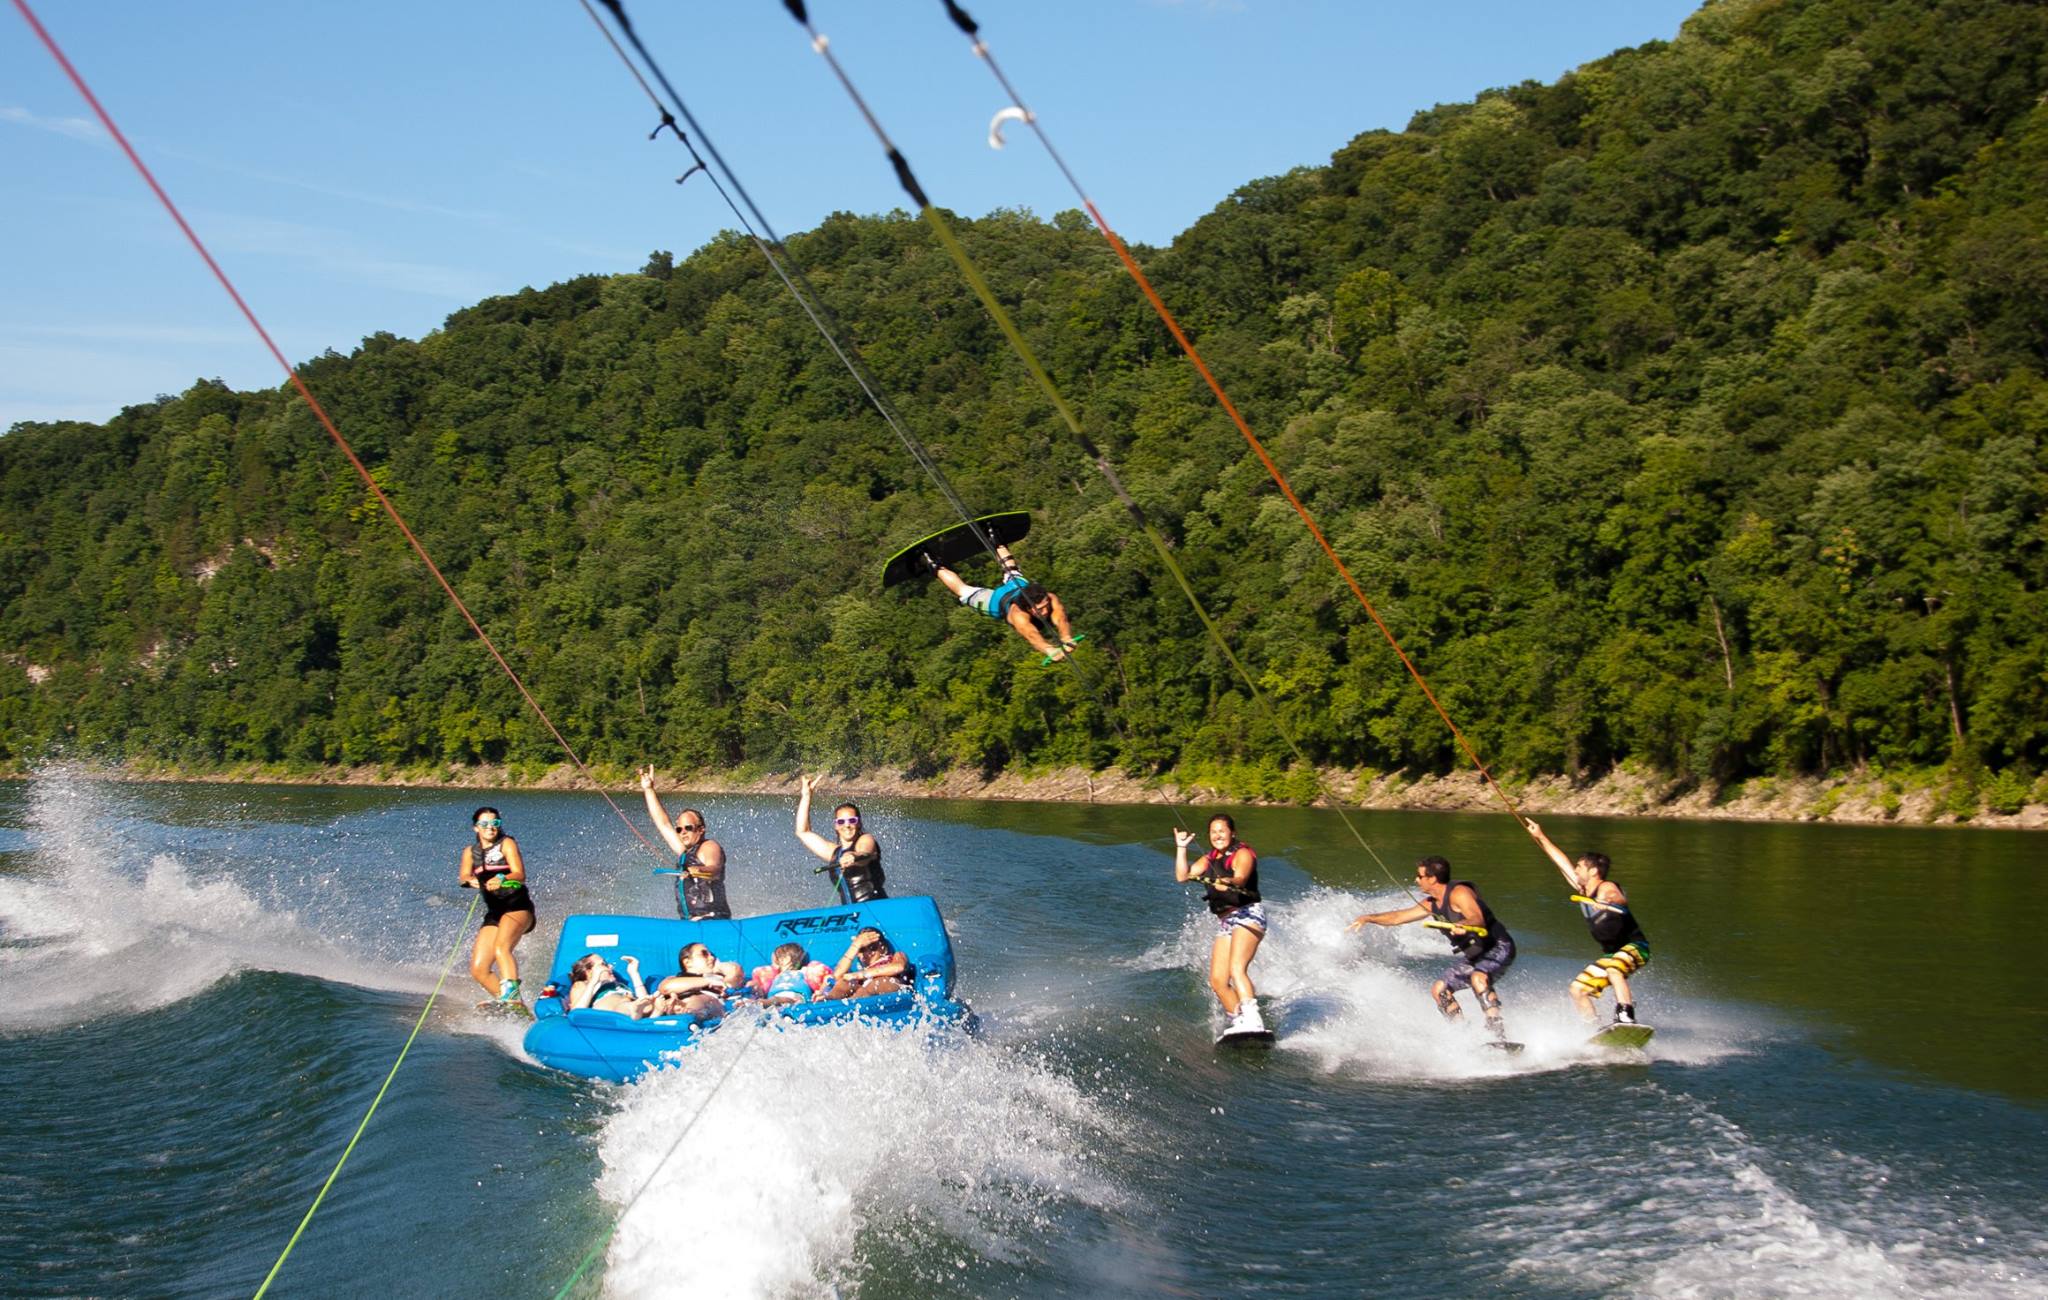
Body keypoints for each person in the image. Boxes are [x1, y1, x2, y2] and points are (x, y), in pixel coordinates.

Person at [1349, 857, 1517, 1040]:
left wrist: (1464, 924)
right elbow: (1398, 917)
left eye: (1419, 876)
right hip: (1475, 955)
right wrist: (1368, 918)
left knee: (1479, 977)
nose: (1416, 880)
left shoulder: (1460, 893)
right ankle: (1463, 1037)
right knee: (1439, 990)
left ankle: (1498, 1036)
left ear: (1432, 878)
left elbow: (1476, 917)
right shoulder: (1431, 903)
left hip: (1498, 946)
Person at [1524, 819, 1651, 1026]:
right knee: (1578, 989)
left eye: (1579, 867)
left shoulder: (1606, 887)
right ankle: (1595, 1029)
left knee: (1615, 969)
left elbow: (1618, 897)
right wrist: (1540, 836)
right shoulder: (1583, 890)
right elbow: (1561, 862)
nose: (1575, 870)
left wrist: (1608, 902)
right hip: (1611, 955)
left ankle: (1626, 1016)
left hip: (1636, 948)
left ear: (1593, 872)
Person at [1174, 814, 1267, 1036]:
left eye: (1222, 831)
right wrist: (1181, 848)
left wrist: (1229, 882)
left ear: (1232, 833)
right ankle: (1240, 1021)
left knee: (1236, 968)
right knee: (1217, 981)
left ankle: (1253, 1019)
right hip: (1226, 921)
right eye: (1213, 832)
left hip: (1248, 915)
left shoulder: (1242, 853)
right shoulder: (1209, 859)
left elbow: (1241, 877)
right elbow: (1182, 876)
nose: (1217, 835)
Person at [923, 540, 1078, 661]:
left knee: (1012, 570)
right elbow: (1031, 635)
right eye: (1040, 609)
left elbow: (1061, 618)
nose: (1045, 611)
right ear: (1029, 609)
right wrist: (1049, 650)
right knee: (963, 591)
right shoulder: (1019, 615)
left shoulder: (1049, 598)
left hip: (1018, 587)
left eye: (1045, 607)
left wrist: (1066, 637)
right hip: (996, 602)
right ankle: (934, 565)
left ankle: (996, 540)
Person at [460, 806, 535, 1004]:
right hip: (494, 913)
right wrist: (470, 880)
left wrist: (502, 877)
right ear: (476, 828)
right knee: (479, 969)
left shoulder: (507, 844)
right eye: (484, 824)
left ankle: (512, 997)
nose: (490, 827)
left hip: (518, 908)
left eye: (495, 823)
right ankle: (511, 1004)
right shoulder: (470, 852)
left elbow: (520, 874)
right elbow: (463, 876)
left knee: (502, 947)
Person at [640, 766, 731, 920]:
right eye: (679, 829)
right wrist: (649, 790)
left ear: (701, 829)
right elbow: (663, 824)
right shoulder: (685, 852)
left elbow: (714, 869)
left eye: (688, 828)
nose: (682, 832)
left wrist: (697, 871)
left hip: (713, 920)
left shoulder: (709, 847)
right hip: (690, 922)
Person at [794, 775, 888, 902]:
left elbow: (864, 853)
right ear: (836, 826)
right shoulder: (834, 853)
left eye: (852, 820)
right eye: (841, 821)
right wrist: (806, 796)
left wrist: (854, 856)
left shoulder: (866, 839)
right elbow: (803, 832)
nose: (847, 825)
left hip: (877, 909)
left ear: (859, 823)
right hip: (852, 915)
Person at [645, 942, 739, 1020]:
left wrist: (720, 967)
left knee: (706, 1000)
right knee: (692, 1000)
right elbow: (666, 988)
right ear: (687, 962)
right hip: (681, 1000)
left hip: (708, 1003)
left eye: (712, 955)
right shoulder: (675, 978)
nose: (712, 958)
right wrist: (708, 981)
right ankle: (681, 1009)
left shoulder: (721, 978)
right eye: (704, 954)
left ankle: (685, 1011)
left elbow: (736, 973)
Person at [814, 927, 912, 1001]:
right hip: (864, 993)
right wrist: (856, 945)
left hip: (891, 986)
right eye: (862, 949)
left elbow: (899, 967)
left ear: (884, 948)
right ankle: (829, 1001)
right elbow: (836, 976)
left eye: (872, 947)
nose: (868, 952)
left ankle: (851, 1004)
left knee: (876, 983)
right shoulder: (858, 975)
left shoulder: (897, 956)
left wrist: (859, 975)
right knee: (846, 982)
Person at [567, 952, 656, 1016]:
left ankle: (646, 1011)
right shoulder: (582, 984)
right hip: (612, 1008)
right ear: (589, 972)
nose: (611, 967)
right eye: (604, 964)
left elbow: (644, 1001)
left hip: (633, 1005)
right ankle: (632, 1009)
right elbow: (576, 1012)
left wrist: (634, 973)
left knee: (648, 1005)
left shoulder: (618, 985)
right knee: (621, 1002)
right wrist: (594, 981)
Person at [750, 942, 831, 1006]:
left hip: (796, 997)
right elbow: (759, 989)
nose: (773, 965)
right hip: (773, 998)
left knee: (782, 1000)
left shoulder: (804, 971)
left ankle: (759, 1004)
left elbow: (828, 980)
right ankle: (761, 1003)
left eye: (777, 960)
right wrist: (754, 988)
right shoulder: (774, 976)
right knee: (776, 1001)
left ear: (787, 959)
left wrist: (823, 992)